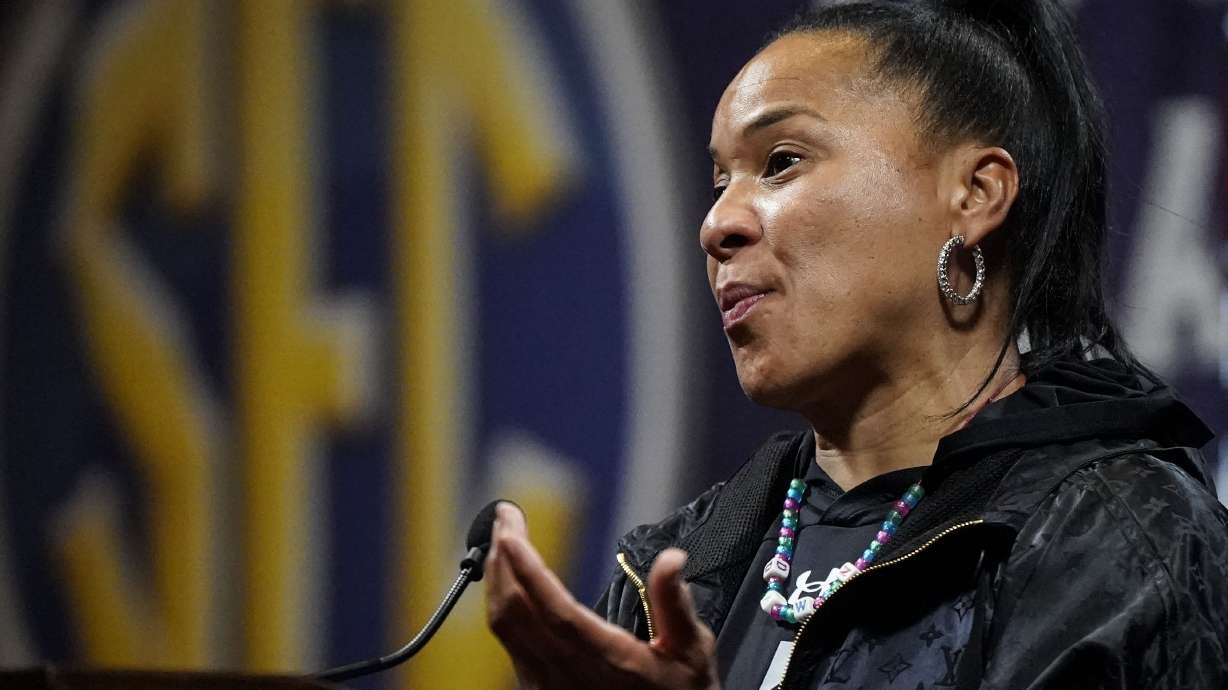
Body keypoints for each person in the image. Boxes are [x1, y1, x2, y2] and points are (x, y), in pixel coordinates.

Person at [483, 1, 1228, 688]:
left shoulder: (1123, 541)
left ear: (974, 194)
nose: (717, 225)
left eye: (781, 161)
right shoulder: (674, 569)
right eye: (718, 181)